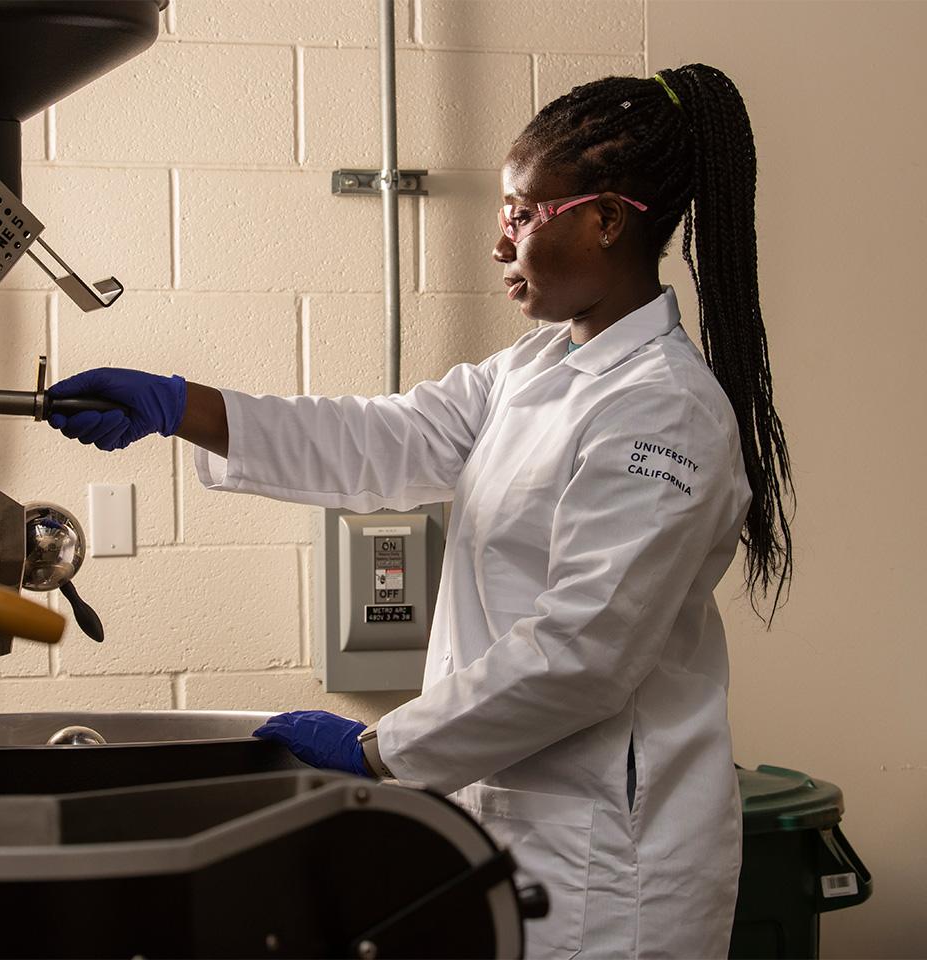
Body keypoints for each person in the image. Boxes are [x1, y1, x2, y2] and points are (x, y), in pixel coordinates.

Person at [44, 64, 793, 959]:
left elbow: (584, 652)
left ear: (603, 219)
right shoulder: (533, 371)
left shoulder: (662, 411)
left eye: (522, 213)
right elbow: (382, 439)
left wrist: (377, 751)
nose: (499, 242)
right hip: (517, 834)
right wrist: (184, 407)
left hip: (610, 873)